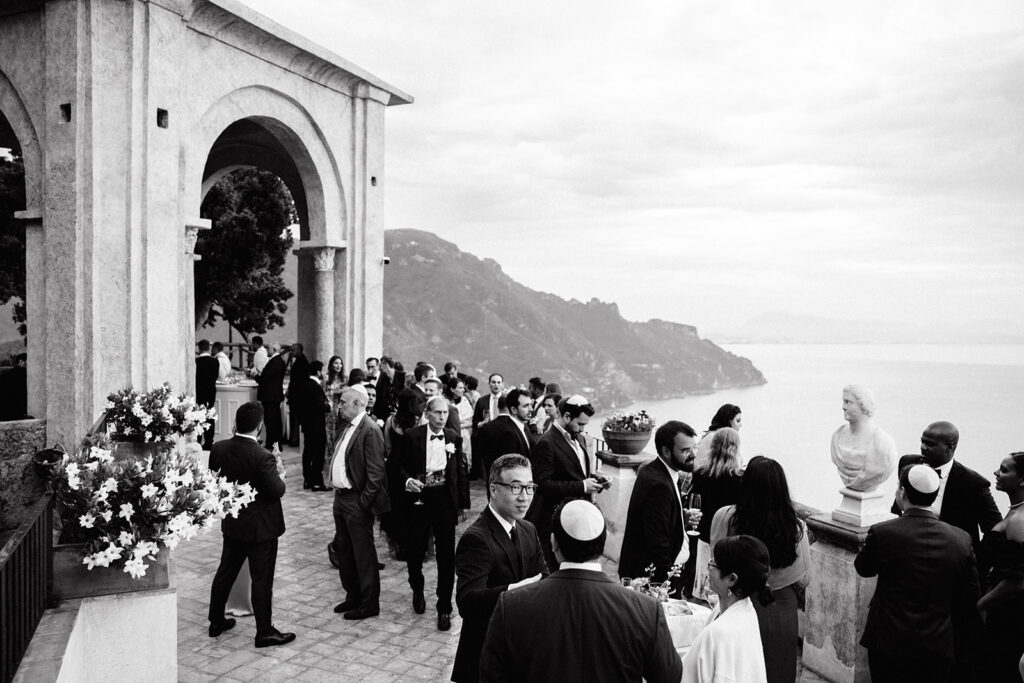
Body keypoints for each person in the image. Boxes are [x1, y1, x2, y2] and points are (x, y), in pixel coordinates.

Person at [479, 500, 681, 683]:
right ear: (602, 545)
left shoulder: (512, 605)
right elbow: (670, 677)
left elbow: (491, 676)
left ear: (553, 543)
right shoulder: (645, 609)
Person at [856, 464, 979, 683]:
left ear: (902, 492)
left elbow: (863, 568)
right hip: (936, 642)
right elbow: (969, 594)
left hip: (888, 640)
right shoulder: (961, 539)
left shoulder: (883, 532)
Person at [710, 455, 809, 683]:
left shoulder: (725, 517)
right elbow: (806, 578)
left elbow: (717, 562)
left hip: (739, 601)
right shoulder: (796, 527)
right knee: (778, 669)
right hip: (782, 606)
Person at [451, 454, 548, 683]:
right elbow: (467, 601)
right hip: (486, 658)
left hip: (521, 652)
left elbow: (544, 577)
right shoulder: (476, 538)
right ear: (494, 490)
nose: (525, 497)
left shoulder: (528, 529)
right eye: (515, 487)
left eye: (529, 488)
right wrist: (515, 590)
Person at [207, 402, 295, 648]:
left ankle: (216, 620)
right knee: (261, 580)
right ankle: (264, 632)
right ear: (259, 426)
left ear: (237, 424)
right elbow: (277, 490)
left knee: (225, 572)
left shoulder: (218, 448)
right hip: (261, 530)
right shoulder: (263, 456)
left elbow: (216, 484)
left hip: (234, 524)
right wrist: (281, 475)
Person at [891, 421, 1001, 580]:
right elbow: (897, 507)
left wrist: (974, 563)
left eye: (930, 444)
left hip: (949, 570)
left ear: (950, 446)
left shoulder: (973, 484)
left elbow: (995, 530)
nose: (923, 447)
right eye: (922, 441)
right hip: (907, 559)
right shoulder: (908, 463)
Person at [396, 395, 470, 631]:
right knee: (415, 550)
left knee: (446, 556)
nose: (442, 417)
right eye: (437, 413)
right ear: (427, 414)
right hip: (419, 498)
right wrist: (407, 479)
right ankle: (417, 589)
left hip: (444, 501)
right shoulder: (412, 437)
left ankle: (444, 607)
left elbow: (460, 472)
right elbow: (397, 465)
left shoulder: (453, 438)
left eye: (445, 413)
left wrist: (462, 504)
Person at [526, 394, 611, 573]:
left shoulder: (578, 438)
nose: (582, 429)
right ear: (566, 416)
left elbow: (576, 473)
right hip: (558, 519)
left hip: (579, 515)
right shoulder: (546, 443)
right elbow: (542, 485)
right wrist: (582, 486)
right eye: (580, 424)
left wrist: (595, 479)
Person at [326, 385, 389, 620]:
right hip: (341, 499)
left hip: (355, 501)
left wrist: (363, 504)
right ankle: (353, 596)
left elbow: (376, 473)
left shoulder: (369, 430)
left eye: (343, 402)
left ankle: (369, 602)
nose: (339, 406)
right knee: (345, 552)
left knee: (363, 554)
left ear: (357, 404)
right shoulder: (349, 427)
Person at [619, 420, 696, 592]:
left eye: (693, 448)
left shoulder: (654, 470)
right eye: (685, 450)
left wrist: (681, 518)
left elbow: (655, 521)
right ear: (666, 452)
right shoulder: (658, 485)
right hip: (656, 579)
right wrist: (662, 584)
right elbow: (658, 543)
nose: (692, 455)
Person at [681, 535, 770, 683]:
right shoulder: (745, 608)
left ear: (732, 579)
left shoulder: (720, 633)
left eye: (714, 564)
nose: (708, 568)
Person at [977, 452, 1024, 683]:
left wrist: (981, 604)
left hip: (1007, 614)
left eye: (1004, 470)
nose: (996, 473)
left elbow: (1018, 581)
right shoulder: (1016, 510)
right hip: (1001, 607)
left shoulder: (1020, 520)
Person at [691, 426, 742, 601]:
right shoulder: (740, 479)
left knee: (703, 586)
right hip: (729, 539)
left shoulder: (700, 475)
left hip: (705, 536)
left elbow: (695, 504)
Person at [382, 389, 425, 561]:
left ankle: (399, 545)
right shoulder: (418, 421)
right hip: (411, 467)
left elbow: (388, 446)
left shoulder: (391, 421)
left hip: (393, 467)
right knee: (412, 507)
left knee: (396, 506)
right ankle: (413, 544)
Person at [829, 384, 897, 492]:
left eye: (848, 402)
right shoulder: (837, 436)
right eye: (843, 401)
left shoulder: (884, 444)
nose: (843, 407)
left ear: (863, 406)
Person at [476, 389, 533, 495]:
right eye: (526, 406)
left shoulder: (524, 427)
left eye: (530, 405)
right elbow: (509, 470)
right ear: (514, 410)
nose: (531, 409)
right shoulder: (509, 433)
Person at [290, 357, 329, 491]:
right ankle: (317, 482)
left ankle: (307, 480)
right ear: (318, 372)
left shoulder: (303, 384)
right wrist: (328, 407)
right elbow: (319, 406)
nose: (324, 373)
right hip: (317, 425)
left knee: (308, 453)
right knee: (318, 454)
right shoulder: (316, 387)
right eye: (323, 371)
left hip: (307, 425)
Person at [256, 345, 290, 452]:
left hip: (270, 396)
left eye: (269, 348)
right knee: (273, 421)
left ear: (274, 350)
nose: (267, 350)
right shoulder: (278, 361)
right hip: (274, 396)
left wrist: (255, 376)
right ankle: (274, 443)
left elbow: (265, 379)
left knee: (271, 421)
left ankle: (273, 444)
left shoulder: (275, 362)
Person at [693, 403, 741, 471]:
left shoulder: (712, 435)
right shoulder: (717, 437)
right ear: (728, 421)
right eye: (738, 421)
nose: (740, 425)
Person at [445, 376, 475, 474]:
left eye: (463, 387)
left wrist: (462, 425)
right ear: (452, 389)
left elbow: (471, 419)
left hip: (465, 435)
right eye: (460, 388)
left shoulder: (465, 401)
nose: (463, 390)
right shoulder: (445, 402)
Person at [195, 340, 220, 450]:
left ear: (199, 349)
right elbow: (216, 376)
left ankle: (199, 439)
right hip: (211, 392)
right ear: (209, 349)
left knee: (198, 416)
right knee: (210, 416)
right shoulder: (215, 361)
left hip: (199, 392)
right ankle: (209, 441)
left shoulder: (196, 361)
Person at [373, 356, 396, 421]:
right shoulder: (382, 380)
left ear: (386, 365)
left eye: (381, 366)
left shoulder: (401, 380)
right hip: (382, 418)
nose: (380, 368)